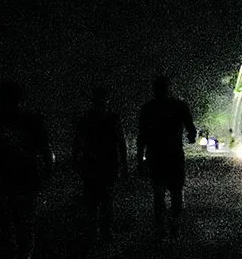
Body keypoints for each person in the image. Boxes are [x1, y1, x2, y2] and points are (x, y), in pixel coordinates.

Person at [0, 80, 54, 259]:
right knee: (25, 227)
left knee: (7, 227)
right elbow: (47, 152)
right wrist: (47, 172)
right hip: (24, 181)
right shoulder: (32, 120)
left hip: (3, 182)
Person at [137, 75, 198, 240]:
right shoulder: (179, 106)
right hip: (174, 154)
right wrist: (191, 138)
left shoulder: (148, 108)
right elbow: (191, 129)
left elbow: (141, 136)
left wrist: (139, 159)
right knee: (176, 191)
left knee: (158, 192)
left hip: (155, 155)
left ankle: (160, 226)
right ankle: (174, 223)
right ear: (169, 88)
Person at [71, 86, 126, 246]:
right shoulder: (113, 118)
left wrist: (75, 161)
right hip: (108, 163)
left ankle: (93, 233)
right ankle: (106, 232)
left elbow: (77, 142)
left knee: (91, 201)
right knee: (107, 199)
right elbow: (121, 143)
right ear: (107, 99)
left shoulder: (86, 118)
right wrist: (124, 165)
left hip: (90, 163)